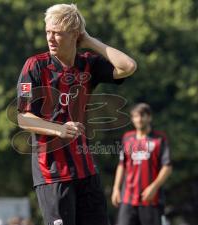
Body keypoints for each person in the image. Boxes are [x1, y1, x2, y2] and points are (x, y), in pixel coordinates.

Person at [17, 3, 136, 225]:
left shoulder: (88, 64)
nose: (50, 38)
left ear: (74, 35)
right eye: (48, 32)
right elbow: (23, 118)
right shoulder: (34, 67)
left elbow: (128, 66)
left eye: (58, 33)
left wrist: (90, 40)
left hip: (87, 172)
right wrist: (59, 129)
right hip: (52, 175)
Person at [111, 103, 172, 225]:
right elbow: (121, 165)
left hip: (150, 199)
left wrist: (153, 187)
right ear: (132, 119)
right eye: (135, 116)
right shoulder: (127, 138)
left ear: (149, 117)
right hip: (127, 198)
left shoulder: (160, 138)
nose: (139, 119)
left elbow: (167, 166)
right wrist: (116, 188)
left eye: (142, 116)